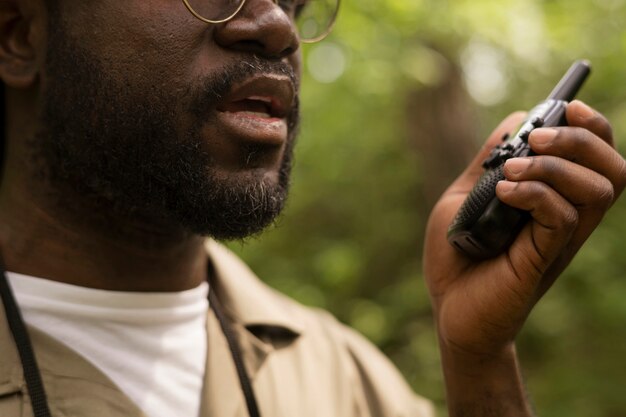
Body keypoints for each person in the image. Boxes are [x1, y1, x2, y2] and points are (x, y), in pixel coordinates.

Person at [0, 0, 624, 416]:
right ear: (19, 34)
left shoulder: (342, 379)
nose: (278, 27)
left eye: (295, 1)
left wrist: (479, 361)